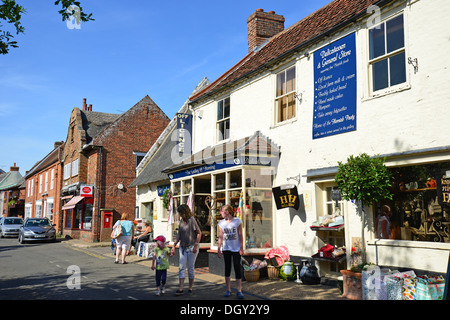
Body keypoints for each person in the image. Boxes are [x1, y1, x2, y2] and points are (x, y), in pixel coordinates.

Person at [171, 204, 201, 295]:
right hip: (183, 247)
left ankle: (190, 287)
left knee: (190, 268)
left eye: (179, 212)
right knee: (181, 267)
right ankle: (181, 288)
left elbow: (199, 233)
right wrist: (174, 244)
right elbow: (179, 234)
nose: (178, 214)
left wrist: (196, 245)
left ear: (183, 212)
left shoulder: (191, 220)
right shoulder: (181, 221)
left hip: (192, 247)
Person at [218, 204, 244, 299]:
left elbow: (240, 235)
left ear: (227, 212)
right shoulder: (221, 223)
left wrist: (241, 247)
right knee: (227, 268)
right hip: (226, 249)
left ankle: (239, 290)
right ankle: (228, 290)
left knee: (237, 268)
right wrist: (219, 248)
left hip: (236, 248)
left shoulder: (237, 221)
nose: (221, 213)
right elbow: (220, 236)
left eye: (222, 212)